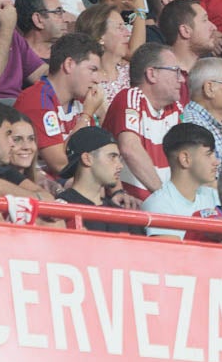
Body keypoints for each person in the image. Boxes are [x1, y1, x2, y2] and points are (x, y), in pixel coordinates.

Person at [101, 42, 183, 200]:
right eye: (175, 71)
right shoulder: (130, 97)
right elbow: (129, 148)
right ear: (152, 74)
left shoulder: (175, 108)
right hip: (131, 206)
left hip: (163, 206)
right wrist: (166, 198)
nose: (182, 80)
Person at [12, 32, 101, 175]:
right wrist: (86, 115)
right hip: (43, 187)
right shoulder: (36, 99)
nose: (97, 79)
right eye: (92, 70)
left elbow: (97, 153)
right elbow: (60, 165)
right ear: (69, 64)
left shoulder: (82, 102)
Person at [56, 127, 145, 235]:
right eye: (112, 157)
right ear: (87, 159)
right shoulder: (60, 209)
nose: (120, 166)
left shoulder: (123, 215)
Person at [143, 123, 222, 238]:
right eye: (208, 154)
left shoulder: (214, 197)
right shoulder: (159, 205)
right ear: (185, 159)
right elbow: (172, 254)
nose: (217, 162)